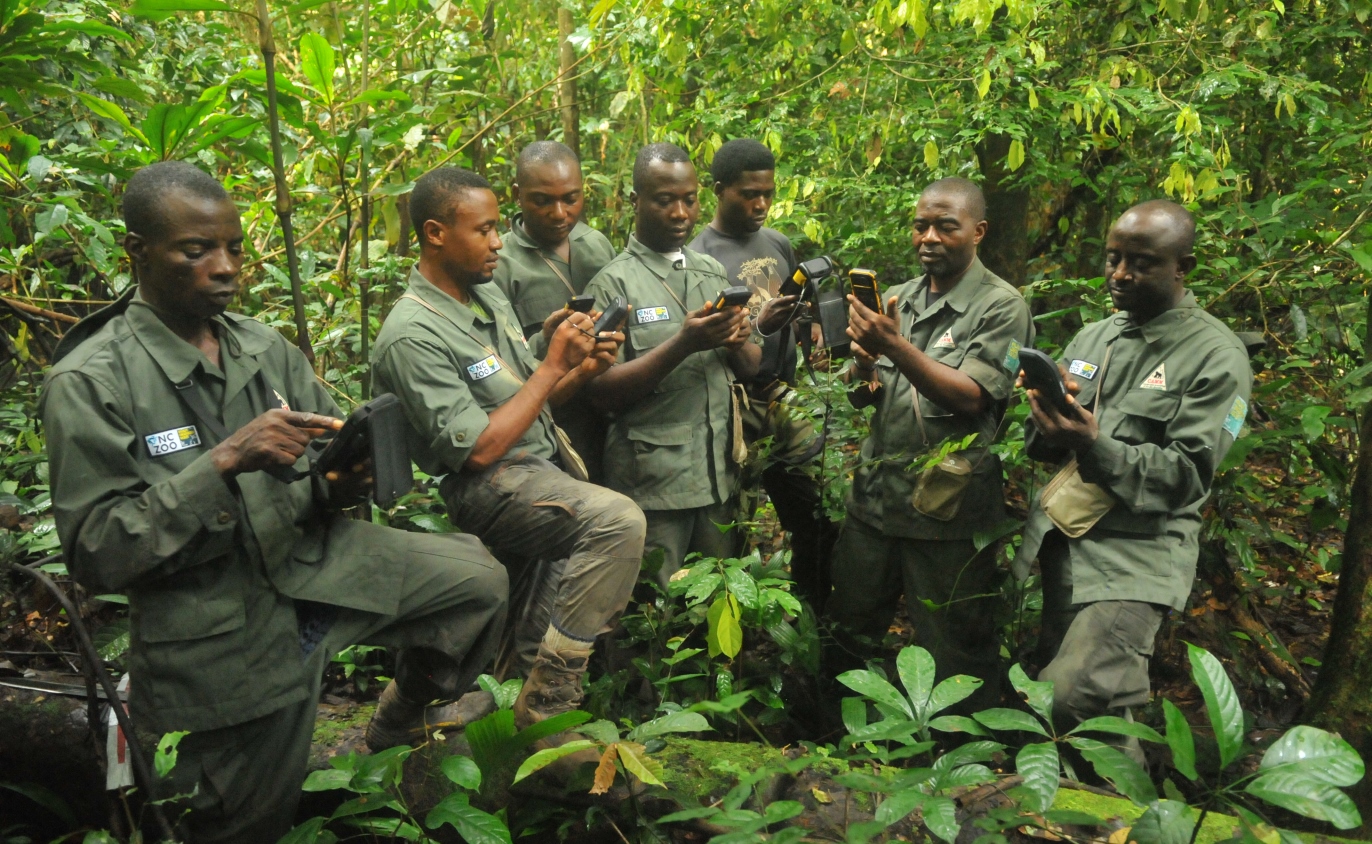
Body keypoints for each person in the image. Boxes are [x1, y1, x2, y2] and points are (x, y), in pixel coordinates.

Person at [40, 162, 508, 843]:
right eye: (196, 250)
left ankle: (399, 715)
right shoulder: (91, 379)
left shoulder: (260, 346)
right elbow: (99, 553)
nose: (225, 266)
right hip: (216, 620)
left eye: (233, 246)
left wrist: (341, 482)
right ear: (136, 252)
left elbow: (321, 463)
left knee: (478, 582)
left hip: (312, 568)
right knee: (244, 821)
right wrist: (225, 460)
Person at [371, 167, 645, 771]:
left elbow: (531, 400)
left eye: (498, 229)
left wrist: (582, 367)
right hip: (486, 485)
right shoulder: (410, 334)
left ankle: (402, 717)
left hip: (537, 470)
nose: (500, 241)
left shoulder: (484, 294)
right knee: (616, 522)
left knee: (518, 633)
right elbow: (477, 451)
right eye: (487, 229)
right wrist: (550, 367)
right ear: (436, 234)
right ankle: (548, 704)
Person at [1015, 200, 1252, 763]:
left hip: (1137, 557)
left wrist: (1094, 444)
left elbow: (1188, 475)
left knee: (1075, 699)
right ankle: (1107, 813)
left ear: (1181, 268)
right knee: (1079, 709)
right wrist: (1049, 416)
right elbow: (1048, 446)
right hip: (1065, 542)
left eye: (1141, 263)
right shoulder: (1096, 336)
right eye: (1114, 258)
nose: (1120, 275)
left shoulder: (1218, 357)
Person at [824, 178, 1033, 711]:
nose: (929, 238)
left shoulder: (1002, 307)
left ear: (978, 232)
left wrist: (892, 344)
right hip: (876, 503)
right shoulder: (902, 298)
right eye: (921, 226)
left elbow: (972, 398)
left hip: (948, 513)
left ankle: (963, 764)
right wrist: (867, 366)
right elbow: (863, 398)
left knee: (955, 648)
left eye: (946, 226)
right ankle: (830, 741)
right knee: (848, 634)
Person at [584, 143, 759, 585]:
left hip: (718, 476)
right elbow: (600, 391)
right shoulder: (613, 284)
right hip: (654, 487)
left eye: (689, 199)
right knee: (653, 622)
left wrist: (737, 341)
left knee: (715, 609)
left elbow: (752, 368)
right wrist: (682, 344)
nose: (680, 212)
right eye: (665, 200)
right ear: (636, 202)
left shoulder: (711, 272)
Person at [689, 138, 837, 604]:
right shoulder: (700, 255)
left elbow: (796, 310)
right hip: (733, 409)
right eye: (749, 194)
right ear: (719, 190)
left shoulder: (777, 243)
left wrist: (810, 333)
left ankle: (811, 614)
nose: (761, 204)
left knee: (822, 511)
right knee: (731, 531)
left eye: (768, 193)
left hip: (784, 398)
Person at [494, 141, 618, 479]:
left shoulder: (595, 244)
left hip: (609, 419)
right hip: (551, 429)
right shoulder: (500, 264)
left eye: (571, 198)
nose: (560, 213)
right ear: (518, 194)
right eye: (543, 201)